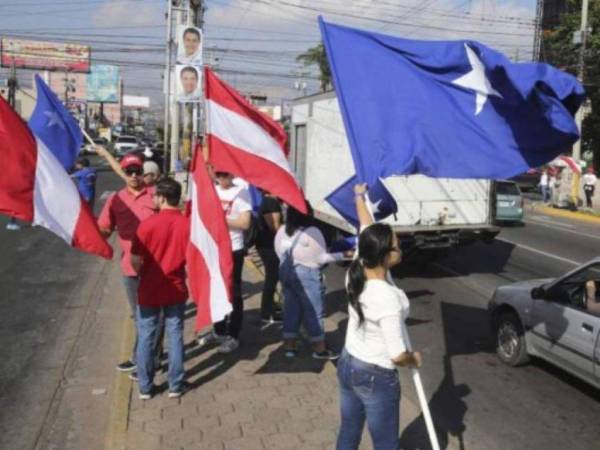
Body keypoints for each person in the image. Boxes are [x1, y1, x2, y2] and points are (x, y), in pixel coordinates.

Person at [336, 183, 422, 450]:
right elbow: (397, 354)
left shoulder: (357, 266)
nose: (400, 249)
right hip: (375, 375)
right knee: (386, 444)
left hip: (349, 362)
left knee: (349, 430)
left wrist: (359, 196)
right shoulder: (386, 297)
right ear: (384, 255)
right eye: (396, 247)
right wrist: (413, 359)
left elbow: (365, 226)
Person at [131, 178, 190, 399]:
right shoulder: (186, 224)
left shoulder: (147, 225)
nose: (153, 198)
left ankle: (145, 387)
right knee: (175, 333)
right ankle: (176, 384)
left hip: (149, 287)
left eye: (155, 195)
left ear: (163, 198)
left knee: (146, 335)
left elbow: (135, 260)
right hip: (175, 286)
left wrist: (142, 273)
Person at [98, 154, 157, 373]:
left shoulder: (155, 195)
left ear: (143, 173)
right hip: (130, 268)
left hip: (155, 266)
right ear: (124, 173)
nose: (133, 175)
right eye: (129, 171)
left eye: (137, 171)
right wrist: (88, 233)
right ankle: (145, 356)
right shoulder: (116, 200)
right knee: (139, 315)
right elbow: (105, 228)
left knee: (153, 315)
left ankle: (146, 360)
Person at [274, 201, 345, 359]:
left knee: (291, 310)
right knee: (314, 312)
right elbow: (321, 258)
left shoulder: (282, 231)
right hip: (307, 275)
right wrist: (344, 255)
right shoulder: (313, 231)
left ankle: (289, 347)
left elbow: (278, 251)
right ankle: (320, 349)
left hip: (286, 273)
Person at [198, 171, 252, 353]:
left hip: (233, 248)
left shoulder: (241, 192)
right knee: (215, 289)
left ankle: (234, 335)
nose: (222, 178)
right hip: (213, 247)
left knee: (234, 291)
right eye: (219, 174)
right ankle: (219, 330)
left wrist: (220, 220)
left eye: (225, 174)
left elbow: (245, 223)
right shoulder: (212, 190)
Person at [255, 190, 284, 325]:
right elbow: (275, 227)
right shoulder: (271, 202)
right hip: (269, 246)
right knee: (272, 277)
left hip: (265, 245)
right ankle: (267, 312)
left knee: (272, 276)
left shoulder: (267, 201)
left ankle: (270, 305)